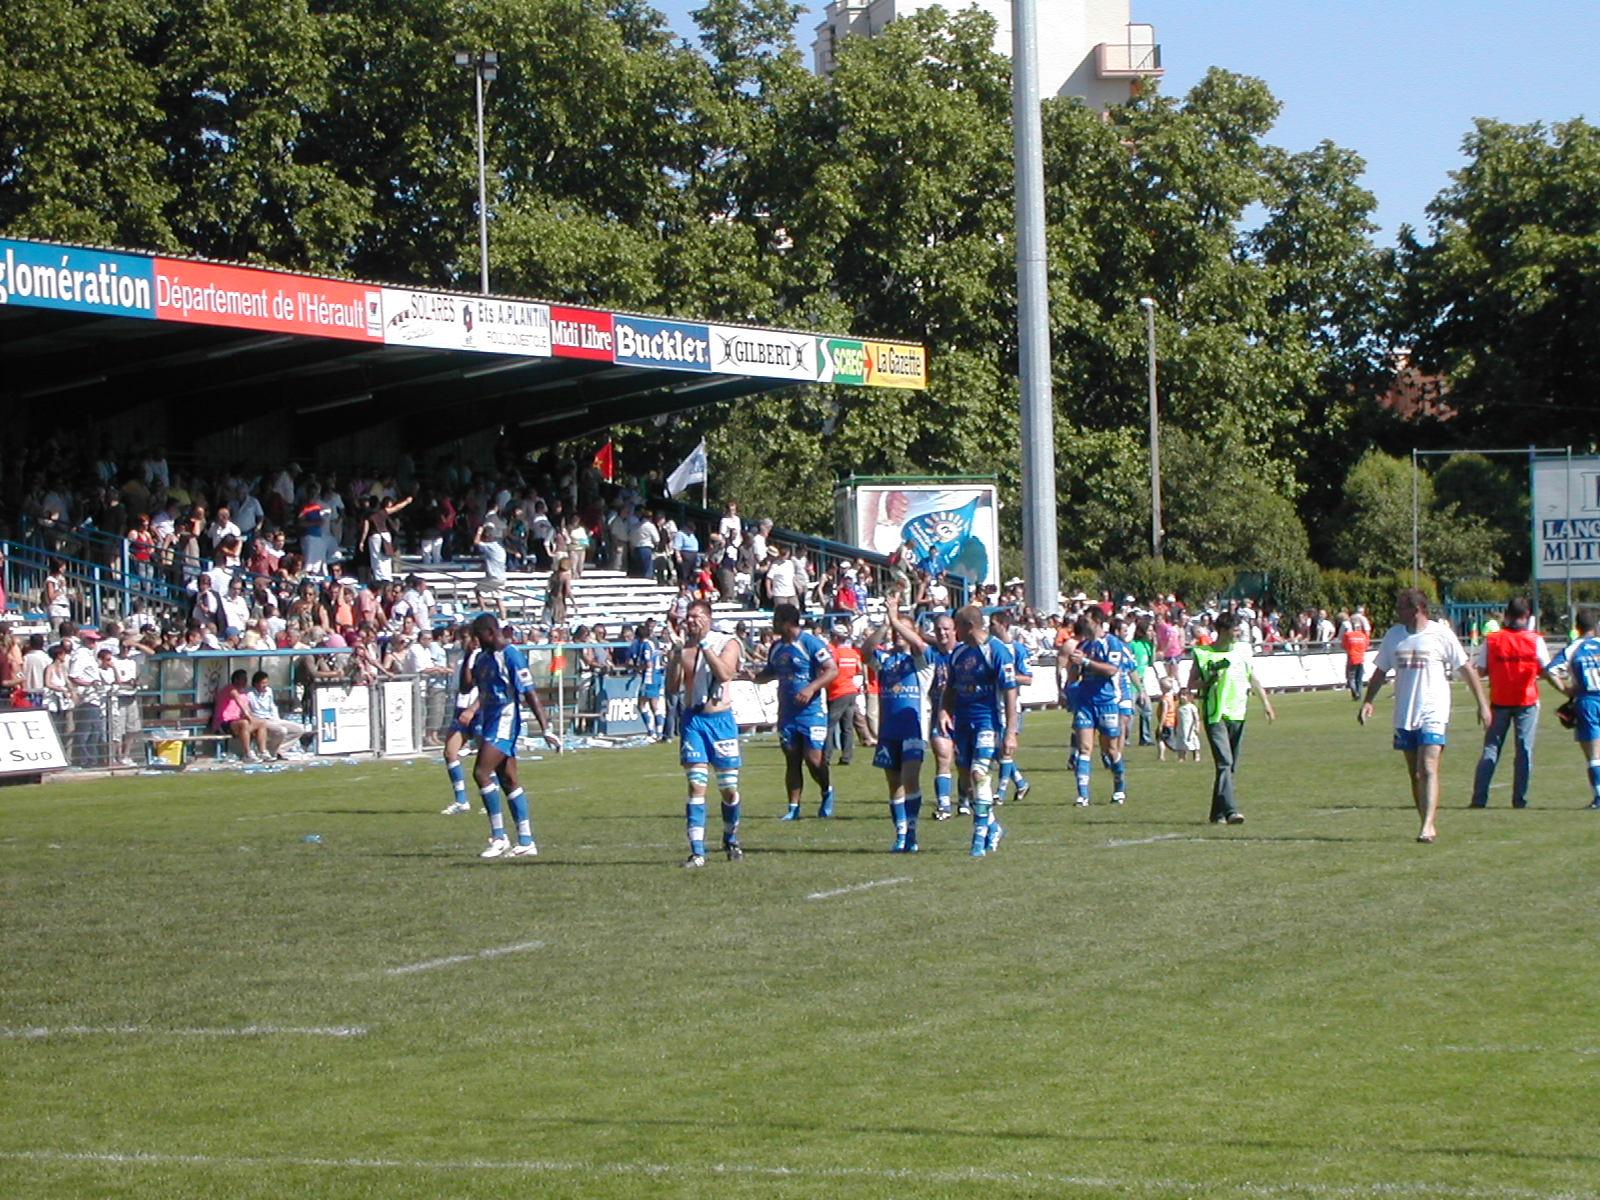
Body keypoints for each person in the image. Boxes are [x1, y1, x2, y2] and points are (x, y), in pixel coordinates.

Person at [1360, 589, 1491, 843]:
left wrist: (1482, 704)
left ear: (1417, 609)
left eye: (1401, 608)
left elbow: (1465, 668)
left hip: (1434, 709)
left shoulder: (1440, 634)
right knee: (1415, 773)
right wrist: (1368, 701)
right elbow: (1380, 671)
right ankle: (1425, 821)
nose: (1397, 613)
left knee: (1428, 767)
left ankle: (1428, 826)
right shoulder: (1394, 636)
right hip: (1404, 712)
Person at [470, 613, 560, 858]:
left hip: (504, 721)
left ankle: (499, 837)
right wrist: (470, 657)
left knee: (480, 772)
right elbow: (467, 686)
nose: (476, 642)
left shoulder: (511, 655)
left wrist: (546, 728)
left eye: (478, 637)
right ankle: (526, 841)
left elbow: (529, 693)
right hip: (489, 721)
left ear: (490, 632)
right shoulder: (484, 658)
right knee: (508, 779)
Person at [666, 598, 745, 868]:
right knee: (696, 784)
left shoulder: (728, 642)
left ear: (708, 618)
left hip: (721, 722)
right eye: (688, 616)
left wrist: (703, 644)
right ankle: (697, 851)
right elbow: (671, 688)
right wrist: (676, 656)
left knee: (728, 788)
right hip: (694, 721)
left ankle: (730, 836)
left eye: (696, 616)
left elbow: (724, 673)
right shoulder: (683, 647)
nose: (691, 621)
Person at [938, 604, 1018, 857]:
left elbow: (1010, 692)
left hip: (987, 721)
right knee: (967, 782)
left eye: (957, 627)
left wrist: (1010, 731)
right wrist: (944, 711)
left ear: (967, 626)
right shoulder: (959, 653)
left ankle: (979, 836)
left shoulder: (996, 651)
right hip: (962, 723)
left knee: (979, 772)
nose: (954, 633)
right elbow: (949, 687)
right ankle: (993, 826)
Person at [1190, 611, 1277, 825]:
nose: (1238, 633)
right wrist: (1209, 679)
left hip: (1238, 712)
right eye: (1234, 629)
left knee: (1230, 766)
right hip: (1215, 713)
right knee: (1224, 763)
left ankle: (1216, 813)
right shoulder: (1203, 653)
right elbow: (1191, 685)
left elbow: (1252, 676)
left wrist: (1266, 703)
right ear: (1222, 630)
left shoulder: (1243, 650)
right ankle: (1230, 811)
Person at [864, 591, 934, 852]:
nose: (897, 634)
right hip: (888, 731)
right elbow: (866, 652)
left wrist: (897, 621)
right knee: (893, 784)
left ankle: (913, 833)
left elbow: (919, 646)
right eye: (896, 631)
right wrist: (885, 624)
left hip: (913, 730)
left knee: (910, 778)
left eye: (903, 630)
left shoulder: (921, 661)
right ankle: (901, 833)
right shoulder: (886, 660)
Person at [753, 603, 836, 820]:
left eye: (776, 620)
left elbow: (832, 669)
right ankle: (793, 808)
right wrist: (753, 677)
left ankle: (826, 790)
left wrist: (811, 688)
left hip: (811, 712)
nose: (773, 624)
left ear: (787, 622)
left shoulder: (809, 643)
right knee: (792, 758)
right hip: (787, 713)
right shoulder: (776, 647)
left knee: (813, 759)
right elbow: (770, 672)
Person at [1470, 597, 1549, 809]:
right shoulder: (1535, 640)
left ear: (1507, 615)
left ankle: (1479, 798)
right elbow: (1546, 669)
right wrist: (1567, 689)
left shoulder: (1493, 640)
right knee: (1524, 750)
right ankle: (1519, 799)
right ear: (1527, 616)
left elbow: (1481, 670)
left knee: (1491, 749)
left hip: (1499, 700)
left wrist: (1481, 701)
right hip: (1526, 701)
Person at [1066, 611, 1129, 807]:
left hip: (1107, 701)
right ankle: (1082, 795)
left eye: (1087, 620)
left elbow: (1112, 669)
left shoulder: (1112, 643)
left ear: (1098, 622)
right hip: (1085, 702)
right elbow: (1074, 676)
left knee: (1110, 750)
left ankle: (1119, 788)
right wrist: (1075, 665)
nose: (1083, 623)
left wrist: (1085, 662)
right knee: (1084, 748)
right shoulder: (1082, 645)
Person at [1540, 607, 1600, 809]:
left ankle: (1599, 797)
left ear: (1577, 627)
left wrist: (1565, 690)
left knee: (1593, 754)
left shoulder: (1574, 648)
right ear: (1596, 626)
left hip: (1587, 701)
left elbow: (1549, 671)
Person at [988, 609, 1032, 803]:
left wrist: (1006, 676)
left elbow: (1028, 678)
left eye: (993, 624)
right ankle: (1021, 783)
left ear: (1004, 626)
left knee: (1005, 750)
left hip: (1011, 706)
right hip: (992, 705)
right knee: (997, 752)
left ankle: (1001, 792)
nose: (989, 628)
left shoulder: (1018, 649)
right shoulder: (989, 648)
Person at [440, 629, 481, 815]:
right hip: (461, 711)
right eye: (460, 639)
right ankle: (461, 800)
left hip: (479, 711)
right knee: (450, 752)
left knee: (488, 758)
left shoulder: (481, 658)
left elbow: (483, 687)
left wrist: (473, 708)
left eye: (465, 638)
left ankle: (492, 795)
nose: (462, 642)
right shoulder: (461, 659)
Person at [925, 610, 959, 820]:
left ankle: (964, 801)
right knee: (943, 757)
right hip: (939, 712)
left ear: (955, 630)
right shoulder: (932, 655)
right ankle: (944, 805)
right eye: (938, 630)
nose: (942, 633)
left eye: (946, 629)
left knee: (966, 763)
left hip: (964, 714)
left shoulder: (964, 653)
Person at [824, 622, 862, 766]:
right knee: (847, 727)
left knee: (830, 725)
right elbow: (858, 669)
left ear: (835, 637)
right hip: (851, 690)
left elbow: (828, 670)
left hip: (838, 692)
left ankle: (826, 757)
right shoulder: (852, 653)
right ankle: (846, 757)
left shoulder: (834, 652)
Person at [246, 670, 308, 758]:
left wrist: (277, 719)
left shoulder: (269, 691)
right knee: (281, 730)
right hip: (260, 721)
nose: (265, 685)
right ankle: (270, 751)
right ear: (256, 684)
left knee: (299, 729)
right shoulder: (250, 694)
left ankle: (279, 750)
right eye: (263, 683)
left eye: (266, 682)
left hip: (272, 718)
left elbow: (272, 706)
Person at [629, 623, 664, 740]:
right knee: (654, 704)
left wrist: (638, 668)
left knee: (643, 704)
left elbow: (648, 663)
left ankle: (652, 732)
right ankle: (658, 732)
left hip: (649, 677)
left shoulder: (645, 645)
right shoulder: (652, 643)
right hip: (657, 676)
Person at [1342, 619, 1371, 700]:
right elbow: (1366, 646)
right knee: (1359, 678)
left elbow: (1343, 646)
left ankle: (1355, 693)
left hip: (1351, 658)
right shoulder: (1363, 636)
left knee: (1351, 678)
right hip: (1361, 659)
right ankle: (1359, 694)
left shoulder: (1347, 635)